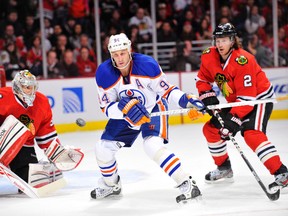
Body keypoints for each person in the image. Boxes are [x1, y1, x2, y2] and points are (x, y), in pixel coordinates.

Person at [91, 33, 204, 203]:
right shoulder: (104, 73)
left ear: (129, 50)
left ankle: (186, 183)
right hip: (126, 115)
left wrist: (186, 100)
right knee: (102, 148)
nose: (120, 58)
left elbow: (167, 91)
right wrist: (124, 109)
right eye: (115, 54)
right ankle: (111, 185)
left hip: (154, 109)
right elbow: (106, 108)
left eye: (122, 53)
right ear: (110, 55)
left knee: (151, 145)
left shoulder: (147, 65)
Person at [195, 23, 288, 191]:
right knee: (211, 130)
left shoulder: (243, 60)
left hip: (258, 99)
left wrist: (233, 120)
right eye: (217, 40)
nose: (220, 44)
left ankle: (282, 173)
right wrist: (207, 96)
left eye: (224, 40)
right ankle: (224, 168)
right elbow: (202, 80)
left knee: (251, 134)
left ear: (232, 41)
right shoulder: (209, 56)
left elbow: (247, 97)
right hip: (238, 101)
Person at [0, 70, 84, 191]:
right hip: (3, 138)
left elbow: (46, 135)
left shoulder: (42, 102)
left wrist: (58, 154)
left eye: (33, 87)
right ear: (17, 88)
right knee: (12, 126)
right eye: (27, 87)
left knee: (32, 179)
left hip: (24, 146)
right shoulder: (3, 96)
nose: (31, 91)